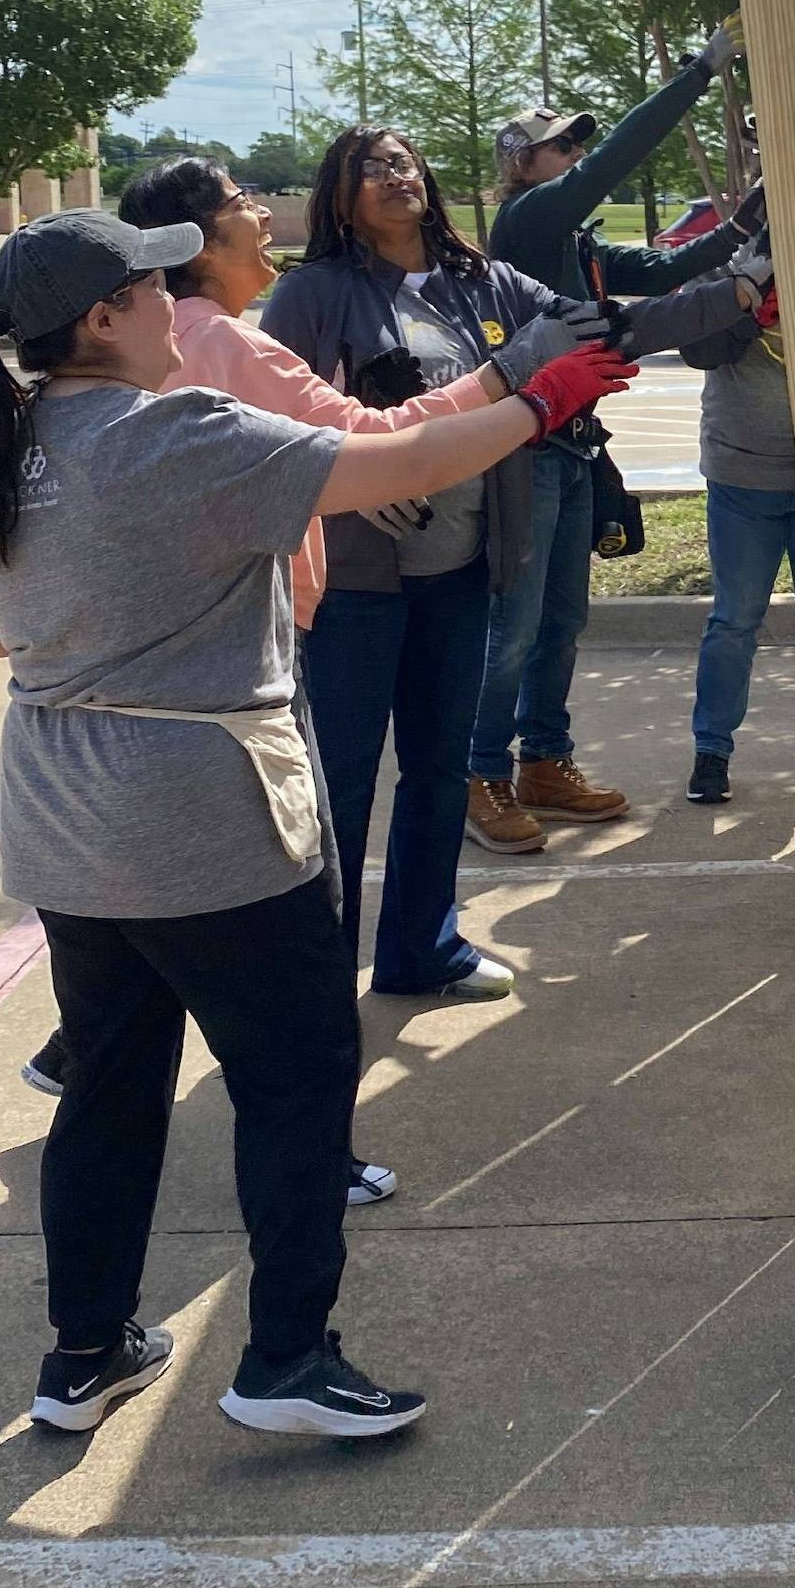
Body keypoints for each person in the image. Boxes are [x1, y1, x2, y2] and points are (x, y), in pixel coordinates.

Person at [0, 207, 630, 1435]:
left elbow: (3, 633)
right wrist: (539, 402)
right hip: (198, 812)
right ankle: (283, 1359)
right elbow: (392, 470)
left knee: (110, 1084)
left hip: (64, 817)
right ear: (106, 317)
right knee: (296, 1079)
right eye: (153, 284)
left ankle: (84, 1352)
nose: (180, 301)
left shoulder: (8, 445)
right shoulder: (175, 430)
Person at [260, 127, 619, 990]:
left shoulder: (486, 282)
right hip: (354, 584)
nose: (392, 176)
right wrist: (344, 478)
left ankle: (423, 950)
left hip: (460, 571)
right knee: (340, 781)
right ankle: (314, 978)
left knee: (438, 769)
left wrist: (738, 288)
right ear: (337, 198)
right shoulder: (312, 294)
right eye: (367, 168)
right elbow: (274, 420)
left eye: (402, 162)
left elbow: (597, 329)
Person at [470, 20, 767, 852]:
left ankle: (544, 762)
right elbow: (616, 162)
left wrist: (754, 215)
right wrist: (696, 73)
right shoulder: (527, 224)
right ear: (521, 166)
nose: (571, 153)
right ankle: (483, 771)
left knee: (562, 621)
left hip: (571, 449)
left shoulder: (577, 244)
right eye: (556, 145)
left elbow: (676, 266)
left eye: (572, 143)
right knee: (515, 626)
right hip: (525, 450)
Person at [680, 283, 795, 803]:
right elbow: (696, 348)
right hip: (742, 477)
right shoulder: (725, 266)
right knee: (735, 619)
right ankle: (712, 750)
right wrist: (749, 303)